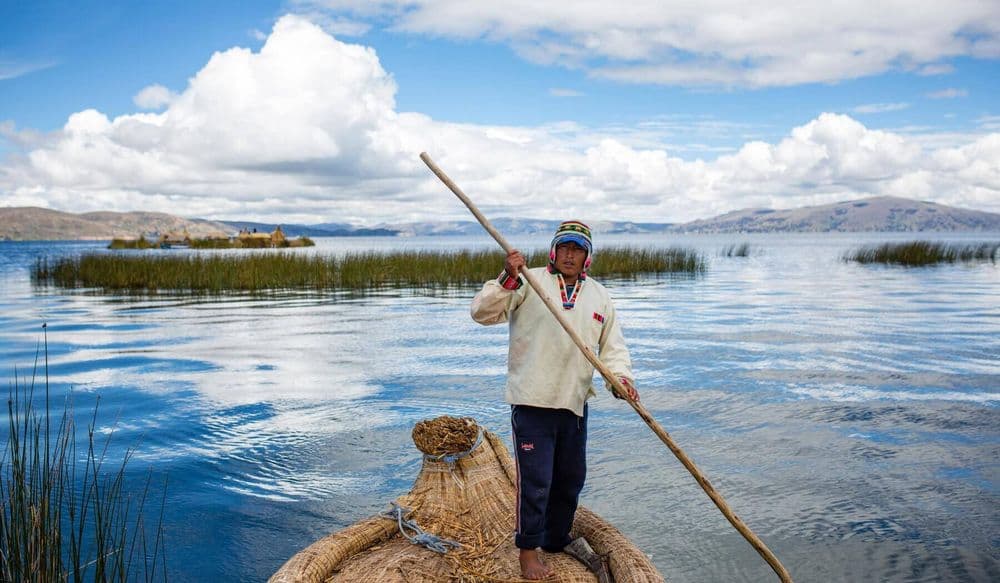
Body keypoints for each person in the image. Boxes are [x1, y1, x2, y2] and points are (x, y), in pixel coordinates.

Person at [470, 220, 639, 580]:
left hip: (574, 405)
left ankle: (556, 538)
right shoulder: (528, 280)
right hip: (533, 402)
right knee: (536, 482)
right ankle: (527, 551)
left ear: (587, 257)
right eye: (564, 247)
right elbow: (482, 313)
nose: (569, 255)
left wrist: (620, 380)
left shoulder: (599, 296)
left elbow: (613, 348)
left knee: (570, 479)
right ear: (553, 251)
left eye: (577, 250)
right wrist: (507, 277)